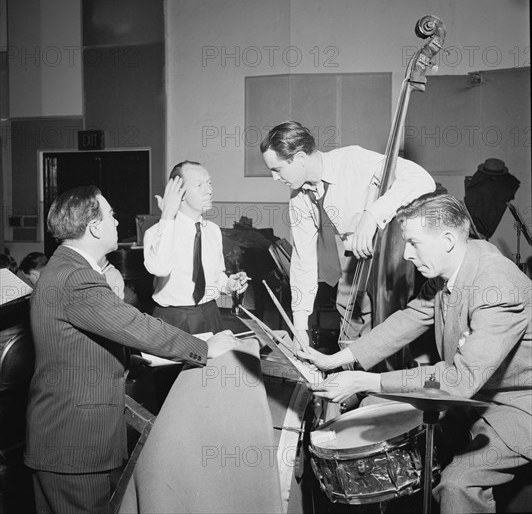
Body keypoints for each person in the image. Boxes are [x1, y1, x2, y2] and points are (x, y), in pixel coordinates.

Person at [298, 192, 532, 514]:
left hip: (516, 407)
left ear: (447, 239)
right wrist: (338, 359)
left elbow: (460, 380)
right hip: (476, 393)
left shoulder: (498, 288)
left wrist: (371, 381)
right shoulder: (457, 261)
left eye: (414, 243)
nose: (406, 254)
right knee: (372, 409)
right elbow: (411, 317)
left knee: (456, 483)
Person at [25, 185, 241, 514]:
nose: (116, 221)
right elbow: (135, 325)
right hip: (74, 447)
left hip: (68, 441)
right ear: (94, 226)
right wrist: (204, 347)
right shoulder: (75, 278)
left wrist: (131, 357)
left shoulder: (68, 269)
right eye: (110, 215)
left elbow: (86, 340)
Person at [260, 121, 435, 345]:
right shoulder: (299, 197)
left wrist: (372, 214)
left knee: (389, 332)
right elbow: (304, 261)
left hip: (388, 258)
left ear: (301, 158)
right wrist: (301, 325)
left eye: (277, 169)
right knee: (350, 327)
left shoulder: (353, 161)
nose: (275, 178)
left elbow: (421, 179)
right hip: (352, 257)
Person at [143, 160, 249, 335]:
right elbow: (159, 268)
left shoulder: (213, 231)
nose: (209, 190)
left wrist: (230, 284)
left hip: (211, 314)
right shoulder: (157, 232)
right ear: (180, 193)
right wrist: (168, 214)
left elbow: (215, 278)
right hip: (174, 319)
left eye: (209, 183)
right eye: (199, 185)